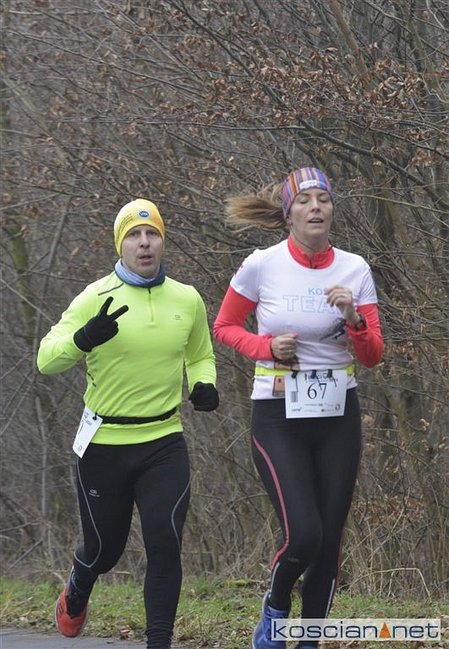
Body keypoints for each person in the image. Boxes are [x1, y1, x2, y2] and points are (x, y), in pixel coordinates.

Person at [213, 167, 384, 649]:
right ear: (288, 214)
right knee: (304, 534)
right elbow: (224, 327)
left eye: (322, 199)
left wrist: (353, 317)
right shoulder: (261, 265)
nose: (315, 208)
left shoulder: (355, 269)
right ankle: (275, 606)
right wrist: (266, 347)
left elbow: (373, 355)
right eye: (305, 200)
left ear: (332, 210)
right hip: (277, 415)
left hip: (337, 417)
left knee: (328, 544)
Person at [37, 199, 219, 649]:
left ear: (162, 240)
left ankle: (159, 641)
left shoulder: (187, 298)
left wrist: (204, 384)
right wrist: (83, 339)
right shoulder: (94, 297)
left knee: (165, 542)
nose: (144, 243)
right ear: (120, 245)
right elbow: (46, 359)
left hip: (163, 441)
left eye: (152, 233)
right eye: (134, 236)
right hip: (104, 444)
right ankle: (79, 584)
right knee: (105, 551)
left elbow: (200, 355)